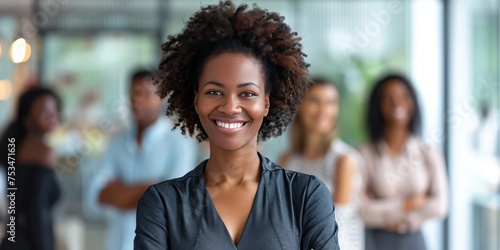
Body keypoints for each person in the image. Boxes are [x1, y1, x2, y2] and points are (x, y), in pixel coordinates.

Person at [134, 1, 339, 249]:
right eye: (214, 92)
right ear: (196, 99)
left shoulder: (305, 196)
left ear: (266, 102)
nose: (230, 107)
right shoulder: (163, 204)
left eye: (248, 94)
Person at [87, 70, 197, 250]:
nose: (136, 100)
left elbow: (173, 202)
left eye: (144, 94)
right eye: (133, 93)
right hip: (117, 242)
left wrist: (119, 191)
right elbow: (97, 195)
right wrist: (153, 187)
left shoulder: (179, 142)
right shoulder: (117, 142)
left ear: (161, 96)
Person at [358, 74, 448, 250]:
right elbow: (360, 211)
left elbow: (440, 206)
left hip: (414, 240)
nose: (396, 102)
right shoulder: (364, 153)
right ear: (378, 105)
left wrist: (400, 219)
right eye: (388, 97)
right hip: (376, 242)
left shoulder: (428, 152)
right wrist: (409, 204)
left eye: (403, 96)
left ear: (413, 102)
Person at [280, 79, 363, 250]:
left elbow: (337, 224)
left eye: (331, 102)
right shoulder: (287, 160)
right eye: (315, 101)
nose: (323, 110)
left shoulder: (343, 160)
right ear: (300, 106)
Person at [0, 87, 62, 250]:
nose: (53, 116)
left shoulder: (14, 149)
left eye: (54, 109)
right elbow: (37, 212)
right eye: (44, 111)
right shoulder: (45, 154)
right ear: (27, 118)